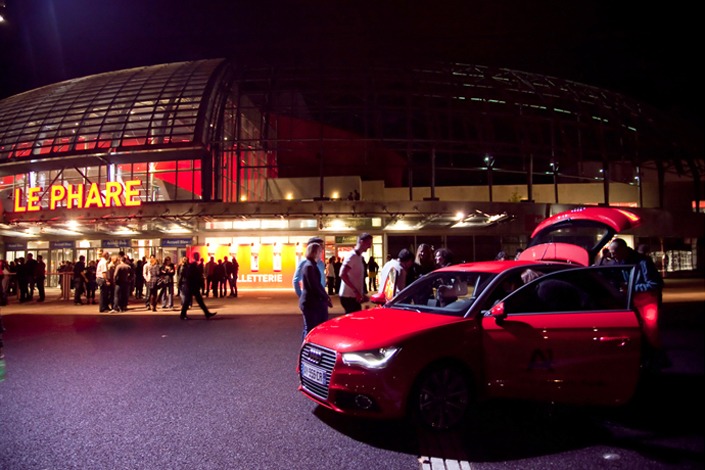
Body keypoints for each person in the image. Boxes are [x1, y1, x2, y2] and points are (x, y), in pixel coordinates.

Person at [608, 238, 668, 370]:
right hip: (629, 303)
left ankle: (657, 359)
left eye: (615, 252)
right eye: (611, 253)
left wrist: (631, 288)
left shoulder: (643, 262)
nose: (612, 256)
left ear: (624, 249)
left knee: (650, 331)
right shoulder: (616, 262)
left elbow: (655, 284)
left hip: (646, 301)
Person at [299, 242, 333, 340]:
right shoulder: (309, 267)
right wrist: (325, 298)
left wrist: (326, 297)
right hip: (311, 303)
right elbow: (315, 286)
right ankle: (306, 348)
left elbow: (316, 285)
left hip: (311, 302)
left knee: (310, 327)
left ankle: (307, 347)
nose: (321, 253)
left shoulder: (311, 265)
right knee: (310, 328)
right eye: (319, 251)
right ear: (314, 252)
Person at [339, 233, 373, 313]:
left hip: (352, 296)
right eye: (368, 243)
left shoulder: (359, 257)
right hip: (348, 296)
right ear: (361, 242)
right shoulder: (352, 256)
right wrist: (356, 291)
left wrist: (360, 293)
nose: (369, 246)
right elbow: (342, 274)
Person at [180, 252, 217, 320]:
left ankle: (206, 313)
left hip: (192, 286)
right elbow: (192, 276)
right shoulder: (193, 266)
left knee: (197, 300)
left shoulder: (193, 265)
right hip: (192, 286)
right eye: (197, 256)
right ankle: (183, 315)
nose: (198, 257)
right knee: (189, 301)